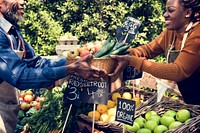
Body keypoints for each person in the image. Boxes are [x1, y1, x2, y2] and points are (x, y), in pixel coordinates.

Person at [0, 0, 106, 132]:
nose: (22, 2)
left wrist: (73, 62)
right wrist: (70, 69)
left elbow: (38, 63)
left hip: (7, 108)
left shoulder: (14, 33)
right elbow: (20, 76)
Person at [109, 0, 200, 105]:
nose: (165, 15)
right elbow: (148, 50)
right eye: (165, 10)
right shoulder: (171, 32)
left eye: (171, 11)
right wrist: (121, 53)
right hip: (191, 102)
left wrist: (135, 62)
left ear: (187, 13)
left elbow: (178, 71)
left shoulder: (197, 35)